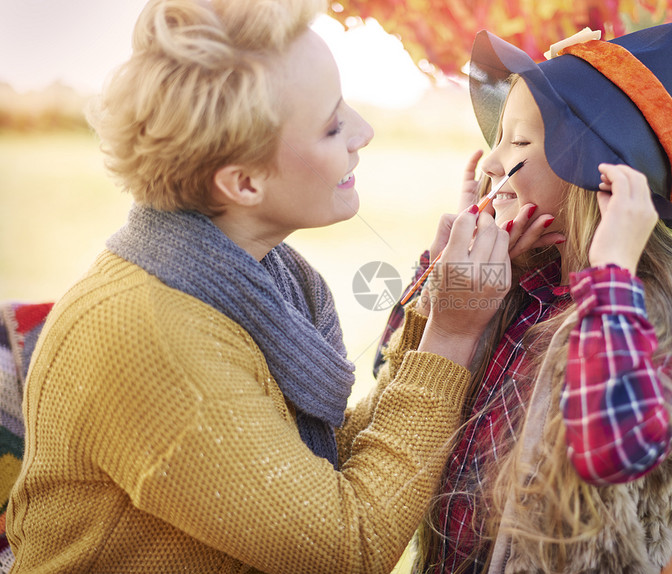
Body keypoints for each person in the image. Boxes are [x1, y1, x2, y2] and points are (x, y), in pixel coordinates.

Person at [4, 0, 550, 571]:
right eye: (332, 125)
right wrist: (451, 335)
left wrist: (437, 308)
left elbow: (311, 472)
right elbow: (349, 546)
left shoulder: (261, 279)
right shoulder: (154, 337)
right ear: (242, 181)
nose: (363, 132)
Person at [375, 0, 672, 572]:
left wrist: (613, 275)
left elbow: (613, 453)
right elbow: (392, 380)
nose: (493, 162)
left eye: (519, 143)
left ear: (600, 172)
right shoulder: (520, 282)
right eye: (499, 138)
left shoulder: (662, 315)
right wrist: (446, 279)